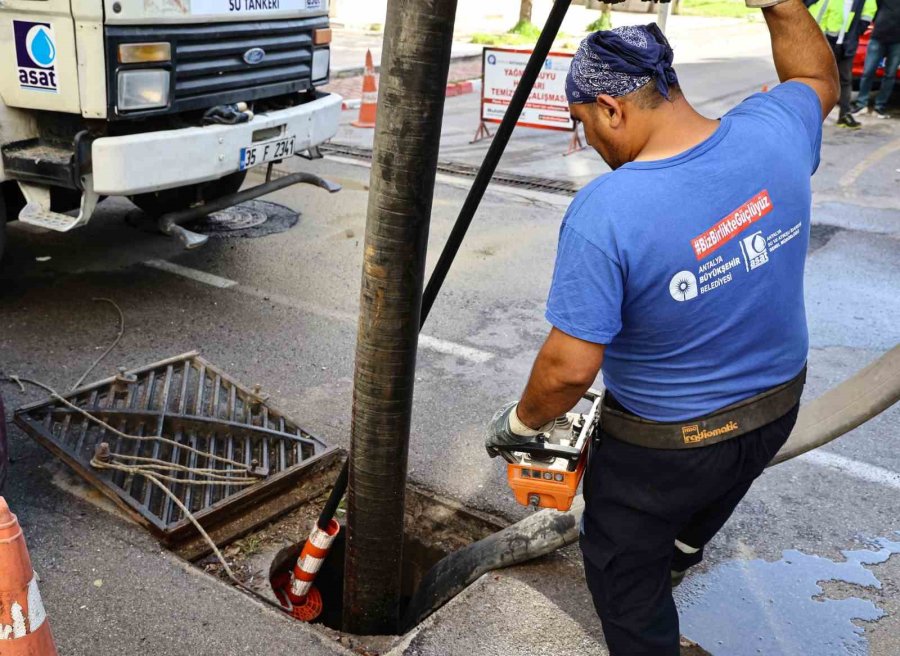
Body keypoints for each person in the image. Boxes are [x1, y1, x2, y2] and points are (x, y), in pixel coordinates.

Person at [484, 1, 839, 654]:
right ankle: (680, 549)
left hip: (666, 450)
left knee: (625, 578)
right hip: (778, 406)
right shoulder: (772, 130)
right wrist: (784, 5)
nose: (586, 143)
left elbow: (567, 370)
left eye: (583, 124)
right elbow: (818, 82)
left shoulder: (607, 213)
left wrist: (521, 424)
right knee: (711, 499)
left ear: (613, 108)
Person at [808, 0, 878, 128]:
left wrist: (858, 31)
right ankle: (810, 114)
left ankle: (844, 115)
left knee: (845, 80)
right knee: (818, 78)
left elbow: (869, 11)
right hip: (828, 41)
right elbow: (821, 12)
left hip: (848, 43)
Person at [852, 0, 900, 118]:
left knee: (890, 76)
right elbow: (874, 8)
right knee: (868, 71)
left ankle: (880, 107)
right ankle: (861, 104)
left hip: (897, 42)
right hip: (878, 37)